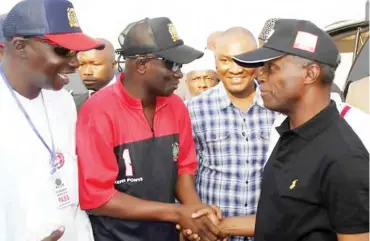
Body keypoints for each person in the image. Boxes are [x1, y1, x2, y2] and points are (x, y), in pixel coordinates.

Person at [187, 18, 369, 241]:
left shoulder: (344, 157)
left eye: (271, 67)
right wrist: (220, 226)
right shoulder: (287, 135)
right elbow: (281, 217)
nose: (260, 75)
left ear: (310, 74)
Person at [76, 17, 224, 241]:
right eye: (172, 64)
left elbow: (183, 169)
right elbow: (97, 198)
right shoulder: (97, 111)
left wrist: (197, 214)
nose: (179, 74)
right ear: (142, 65)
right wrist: (177, 212)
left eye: (181, 66)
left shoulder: (176, 107)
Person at [0, 0, 105, 240]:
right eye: (63, 51)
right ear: (20, 47)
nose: (76, 63)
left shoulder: (64, 103)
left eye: (76, 52)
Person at [186, 27, 278, 241]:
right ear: (216, 62)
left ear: (257, 62)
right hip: (212, 234)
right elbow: (184, 174)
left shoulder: (278, 107)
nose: (234, 69)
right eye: (225, 60)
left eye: (243, 60)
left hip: (266, 232)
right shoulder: (193, 110)